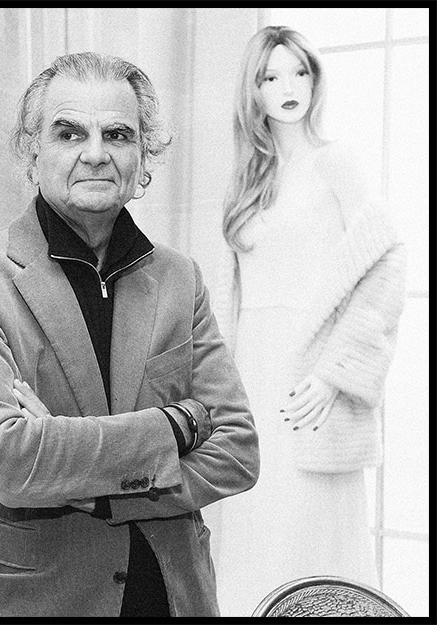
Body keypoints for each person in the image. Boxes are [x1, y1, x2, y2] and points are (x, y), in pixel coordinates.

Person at [0, 51, 259, 618]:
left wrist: (87, 483)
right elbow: (9, 458)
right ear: (33, 151)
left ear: (143, 155)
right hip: (30, 599)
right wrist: (175, 426)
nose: (96, 153)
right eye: (70, 132)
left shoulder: (180, 277)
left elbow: (238, 451)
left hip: (167, 594)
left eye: (118, 134)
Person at [212, 26, 407, 616]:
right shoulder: (248, 181)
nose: (288, 86)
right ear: (253, 90)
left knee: (313, 531)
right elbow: (232, 297)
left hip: (311, 378)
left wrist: (333, 374)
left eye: (299, 71)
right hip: (252, 373)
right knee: (253, 523)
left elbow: (387, 263)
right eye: (271, 76)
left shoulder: (336, 162)